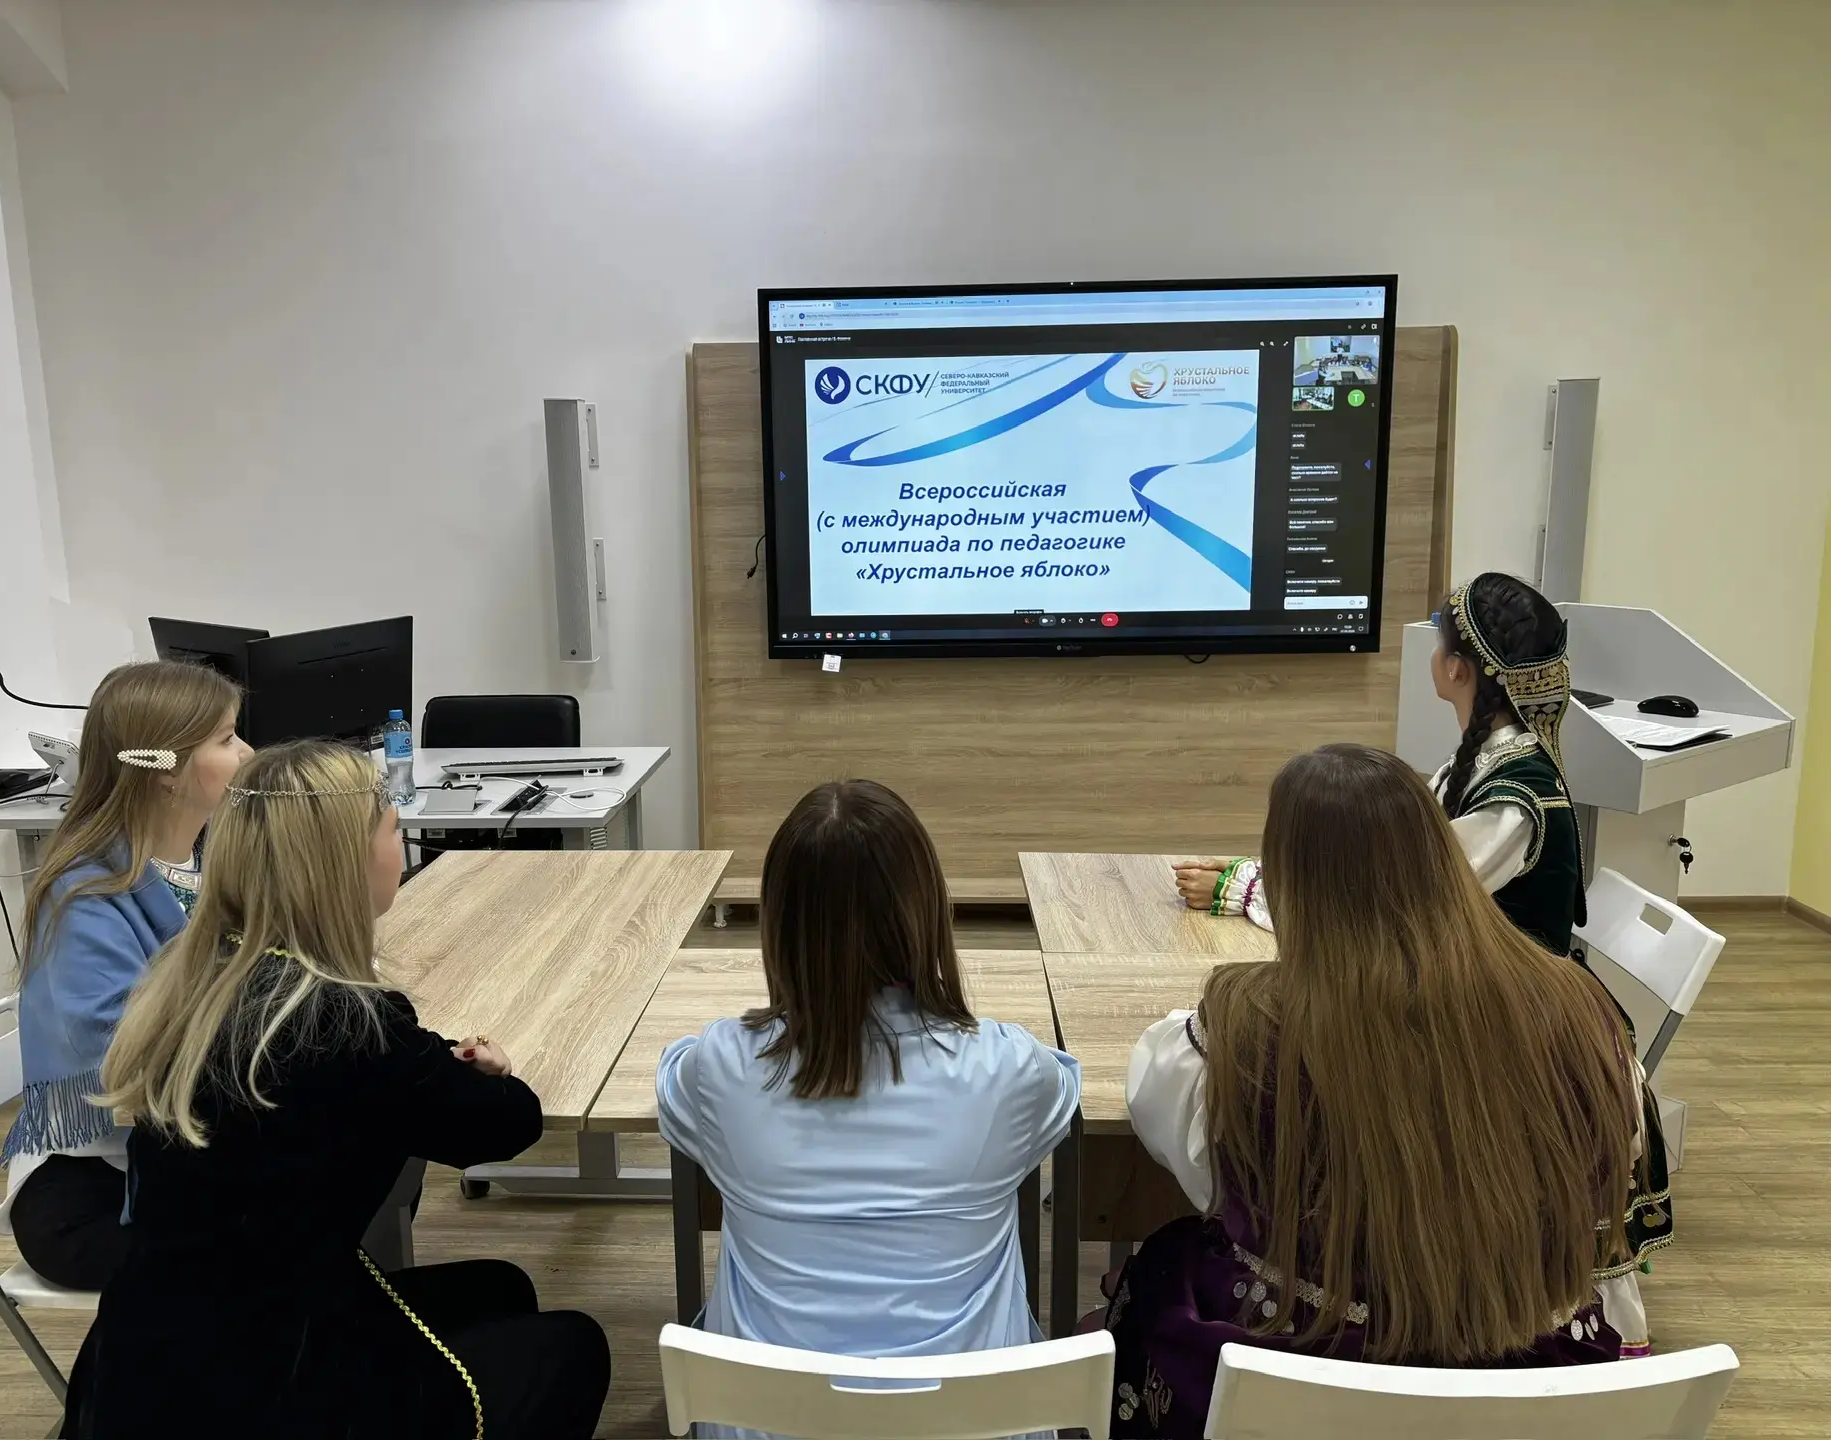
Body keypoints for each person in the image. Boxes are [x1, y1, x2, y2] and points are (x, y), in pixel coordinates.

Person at [61, 741, 609, 1440]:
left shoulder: (197, 978)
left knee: (503, 1288)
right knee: (574, 1347)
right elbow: (508, 1126)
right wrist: (494, 1072)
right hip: (266, 1393)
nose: (401, 847)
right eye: (392, 829)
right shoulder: (345, 1021)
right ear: (347, 861)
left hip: (142, 1363)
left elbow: (378, 1080)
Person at [1108, 745, 1644, 1435]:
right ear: (1441, 854)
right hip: (1528, 1388)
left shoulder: (1238, 1032)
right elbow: (1613, 1159)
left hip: (1299, 1384)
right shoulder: (1580, 1012)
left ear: (1289, 881)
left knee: (1164, 1269)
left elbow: (1188, 1157)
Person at [657, 781, 1079, 1383]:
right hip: (974, 1420)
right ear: (929, 909)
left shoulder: (721, 1066)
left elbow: (673, 1082)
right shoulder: (1006, 1068)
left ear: (778, 923)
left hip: (766, 1419)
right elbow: (1061, 1090)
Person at [0, 659, 248, 1291]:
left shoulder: (203, 859)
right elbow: (127, 1053)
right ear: (164, 770)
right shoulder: (85, 893)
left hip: (175, 1148)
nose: (247, 752)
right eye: (226, 738)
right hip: (92, 1195)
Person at [1177, 572, 1585, 955]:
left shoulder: (1513, 801)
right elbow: (1391, 863)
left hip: (1507, 999)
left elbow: (1401, 906)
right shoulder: (1485, 760)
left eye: (1439, 640)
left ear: (1456, 668)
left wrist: (1249, 892)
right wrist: (1269, 874)